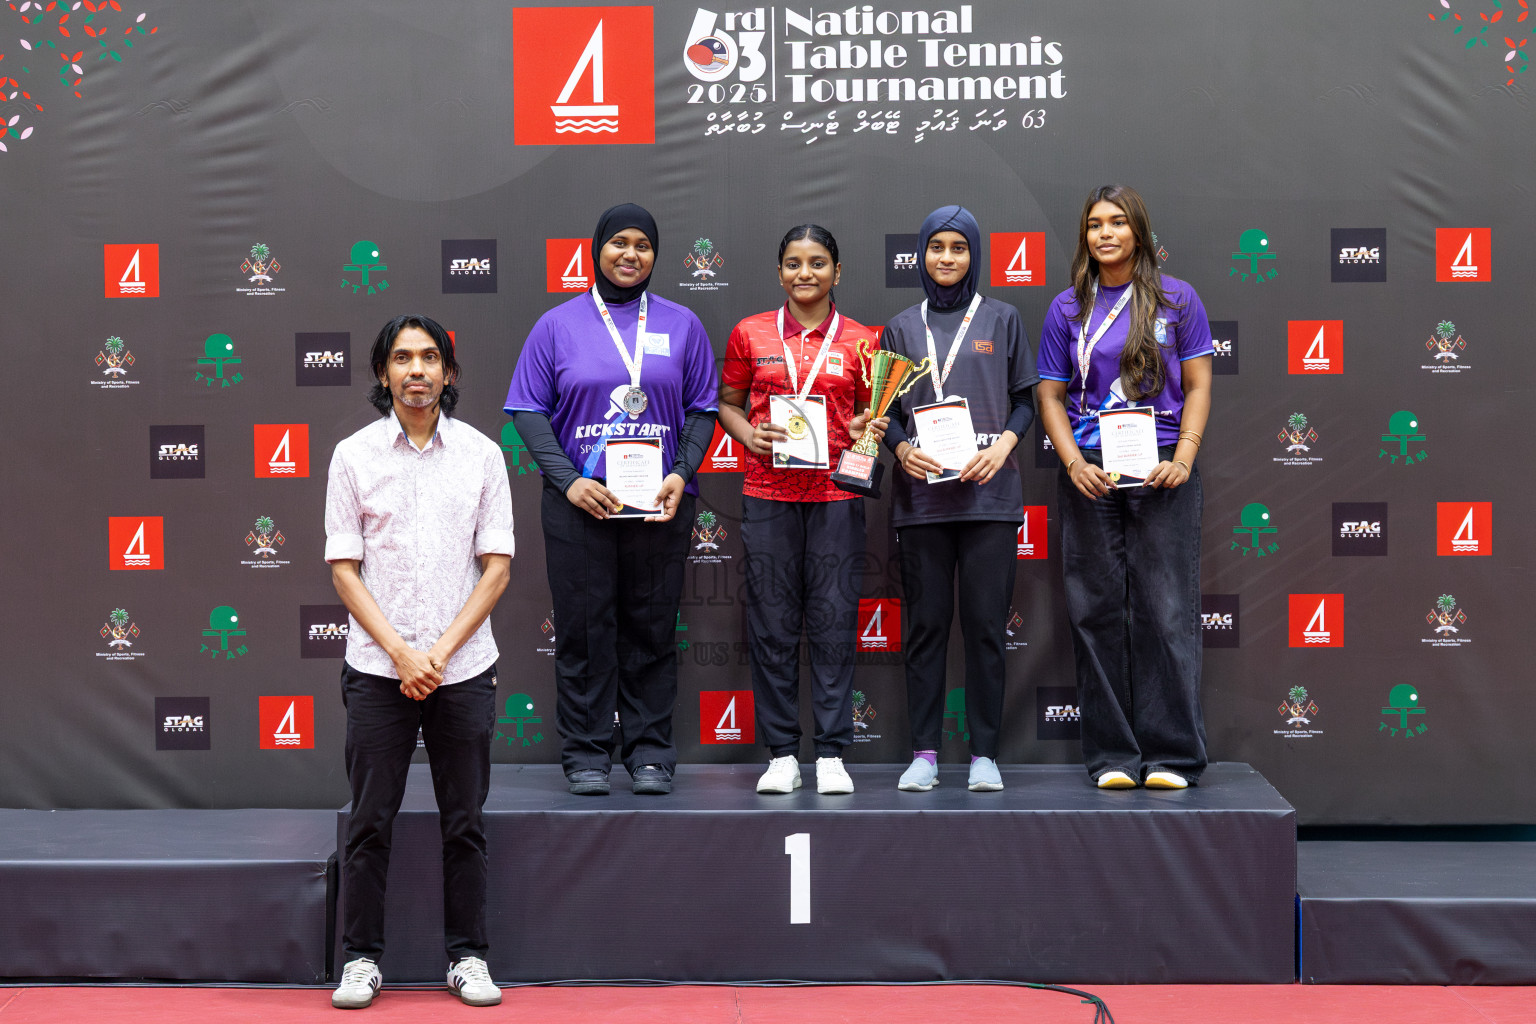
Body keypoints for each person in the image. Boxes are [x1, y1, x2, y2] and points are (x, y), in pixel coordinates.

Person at [325, 314, 514, 1009]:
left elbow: (496, 569)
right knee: (370, 819)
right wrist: (402, 653)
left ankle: (468, 957)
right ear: (383, 374)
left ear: (449, 373)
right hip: (378, 670)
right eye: (402, 358)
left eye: (430, 358)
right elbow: (344, 570)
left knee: (465, 820)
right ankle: (360, 960)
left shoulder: (484, 455)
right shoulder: (352, 456)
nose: (416, 370)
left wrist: (435, 654)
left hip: (462, 671)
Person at [503, 204, 718, 798]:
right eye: (618, 242)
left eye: (643, 244)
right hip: (580, 507)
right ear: (596, 249)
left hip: (658, 504)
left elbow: (702, 408)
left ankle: (650, 752)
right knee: (584, 631)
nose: (630, 254)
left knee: (651, 630)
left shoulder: (683, 324)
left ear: (655, 254)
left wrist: (682, 471)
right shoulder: (557, 325)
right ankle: (586, 752)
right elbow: (526, 409)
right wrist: (568, 480)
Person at [1036, 185, 1213, 791]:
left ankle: (1171, 756)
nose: (1104, 233)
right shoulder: (1067, 308)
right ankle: (1111, 755)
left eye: (1116, 222)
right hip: (1091, 469)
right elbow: (1050, 397)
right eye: (1093, 224)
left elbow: (1199, 385)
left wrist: (1184, 456)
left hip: (1163, 467)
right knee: (1096, 611)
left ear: (1139, 230)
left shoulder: (1177, 300)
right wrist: (1070, 463)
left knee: (1166, 612)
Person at [718, 224, 886, 796]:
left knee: (836, 621)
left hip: (837, 495)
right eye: (793, 263)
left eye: (817, 263)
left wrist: (866, 427)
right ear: (780, 272)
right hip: (767, 494)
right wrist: (748, 435)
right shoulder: (750, 333)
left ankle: (833, 753)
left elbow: (870, 415)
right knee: (772, 624)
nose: (805, 273)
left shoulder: (863, 339)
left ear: (837, 272)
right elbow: (728, 402)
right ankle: (783, 752)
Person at [879, 206, 1038, 794]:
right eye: (936, 247)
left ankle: (984, 757)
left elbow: (1026, 398)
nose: (947, 258)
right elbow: (884, 413)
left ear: (975, 255)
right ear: (921, 255)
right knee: (924, 627)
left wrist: (1005, 448)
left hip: (989, 498)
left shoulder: (1003, 318)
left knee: (986, 629)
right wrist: (899, 449)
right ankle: (923, 753)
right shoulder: (898, 327)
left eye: (959, 248)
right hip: (922, 502)